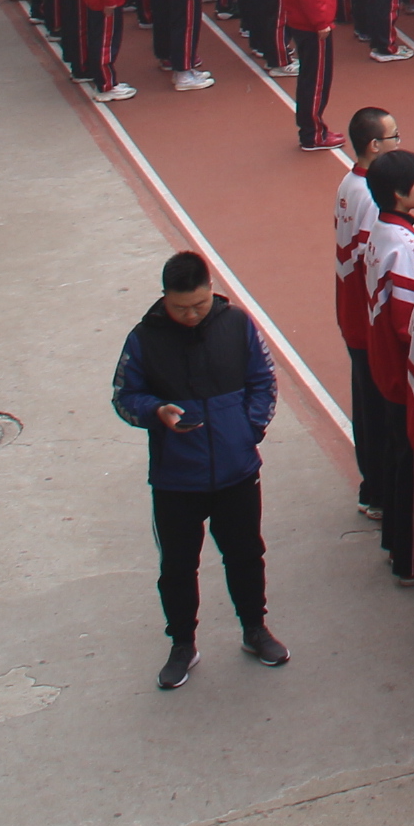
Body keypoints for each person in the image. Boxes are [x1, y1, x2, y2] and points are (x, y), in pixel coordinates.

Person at [111, 252, 288, 691]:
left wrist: (248, 431)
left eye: (199, 306)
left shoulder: (238, 325)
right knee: (177, 566)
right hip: (176, 479)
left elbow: (263, 381)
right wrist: (156, 411)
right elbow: (124, 397)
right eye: (180, 308)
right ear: (164, 299)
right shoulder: (143, 339)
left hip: (237, 471)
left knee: (246, 554)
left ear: (211, 290)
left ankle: (254, 629)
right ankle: (182, 644)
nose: (191, 315)